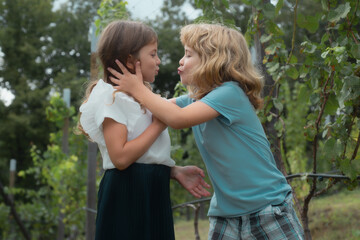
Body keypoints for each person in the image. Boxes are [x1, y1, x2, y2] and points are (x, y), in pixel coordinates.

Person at [108, 23, 305, 239]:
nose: (181, 61)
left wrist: (136, 88)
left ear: (213, 60)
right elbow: (158, 109)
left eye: (189, 54)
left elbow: (176, 118)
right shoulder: (196, 99)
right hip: (226, 215)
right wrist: (111, 96)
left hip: (267, 208)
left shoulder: (230, 94)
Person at [78, 20, 210, 240]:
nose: (158, 61)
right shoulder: (112, 97)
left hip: (152, 189)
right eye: (153, 54)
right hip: (127, 195)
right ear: (131, 60)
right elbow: (120, 158)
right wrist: (159, 124)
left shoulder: (144, 100)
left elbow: (144, 156)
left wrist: (173, 171)